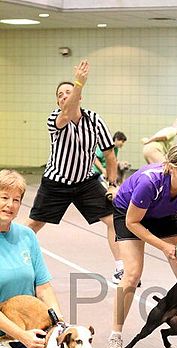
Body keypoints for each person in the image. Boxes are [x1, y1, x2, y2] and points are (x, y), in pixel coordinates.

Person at [105, 142, 177, 348]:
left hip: (164, 215)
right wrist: (165, 246)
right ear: (171, 167)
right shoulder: (150, 182)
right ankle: (115, 336)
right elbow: (133, 222)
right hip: (130, 215)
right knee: (132, 274)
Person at [26, 60, 123, 283]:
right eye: (60, 94)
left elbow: (110, 156)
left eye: (69, 92)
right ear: (58, 101)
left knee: (113, 219)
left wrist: (112, 184)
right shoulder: (55, 119)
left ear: (80, 96)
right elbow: (67, 115)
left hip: (85, 183)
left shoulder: (96, 120)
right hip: (56, 182)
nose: (64, 96)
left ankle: (120, 267)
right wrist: (79, 82)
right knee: (33, 225)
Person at [0, 169, 71, 348]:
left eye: (16, 199)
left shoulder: (27, 236)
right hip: (4, 334)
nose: (10, 205)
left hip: (33, 331)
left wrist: (59, 325)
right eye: (3, 197)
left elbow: (43, 286)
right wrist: (22, 335)